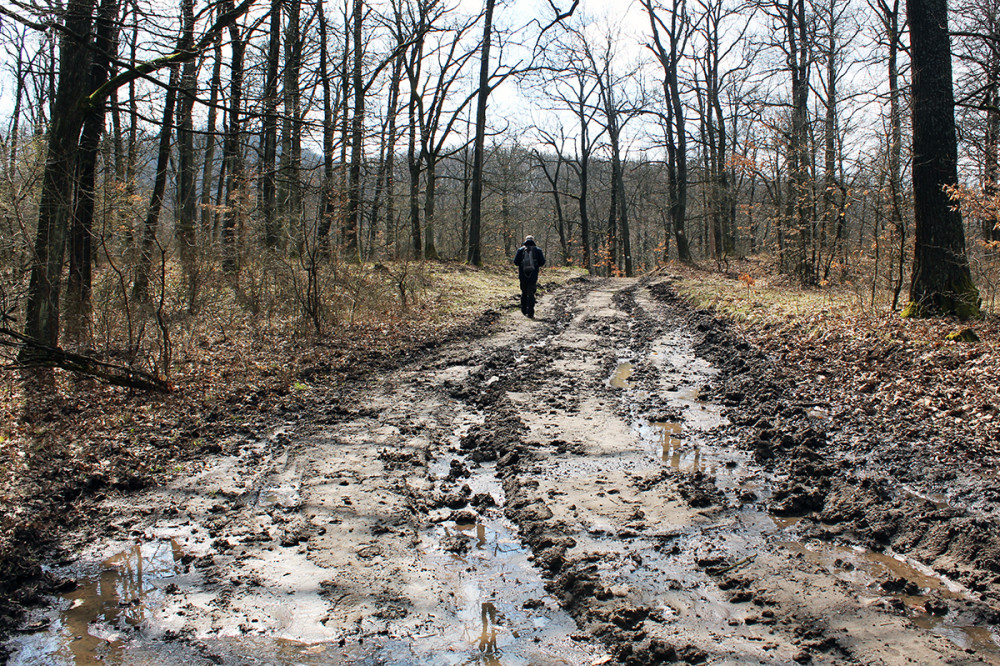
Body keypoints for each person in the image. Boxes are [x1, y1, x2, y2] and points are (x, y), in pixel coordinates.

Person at [514, 235, 545, 318]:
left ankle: (524, 311)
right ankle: (530, 313)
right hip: (533, 276)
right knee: (531, 293)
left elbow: (516, 262)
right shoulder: (538, 250)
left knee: (524, 292)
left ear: (525, 240)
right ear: (533, 240)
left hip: (523, 275)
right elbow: (542, 262)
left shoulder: (520, 250)